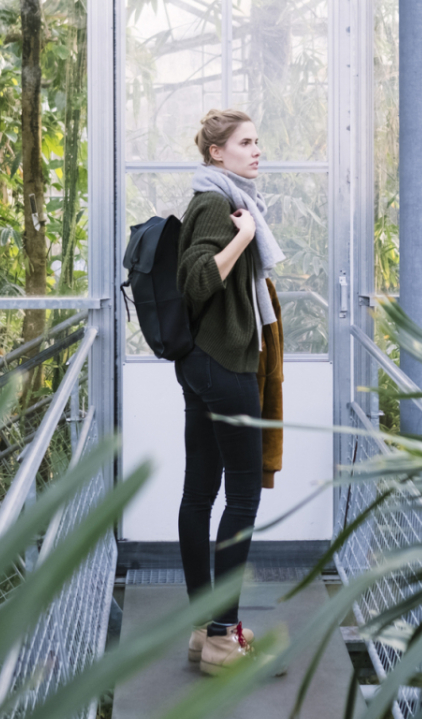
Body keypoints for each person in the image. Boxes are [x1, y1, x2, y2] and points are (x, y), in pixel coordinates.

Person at [174, 108, 286, 675]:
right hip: (224, 365)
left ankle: (205, 630)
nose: (257, 150)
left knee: (200, 493)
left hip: (203, 364)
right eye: (245, 142)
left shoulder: (216, 197)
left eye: (258, 141)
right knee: (241, 497)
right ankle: (223, 638)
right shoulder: (218, 204)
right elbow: (197, 281)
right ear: (217, 152)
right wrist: (244, 237)